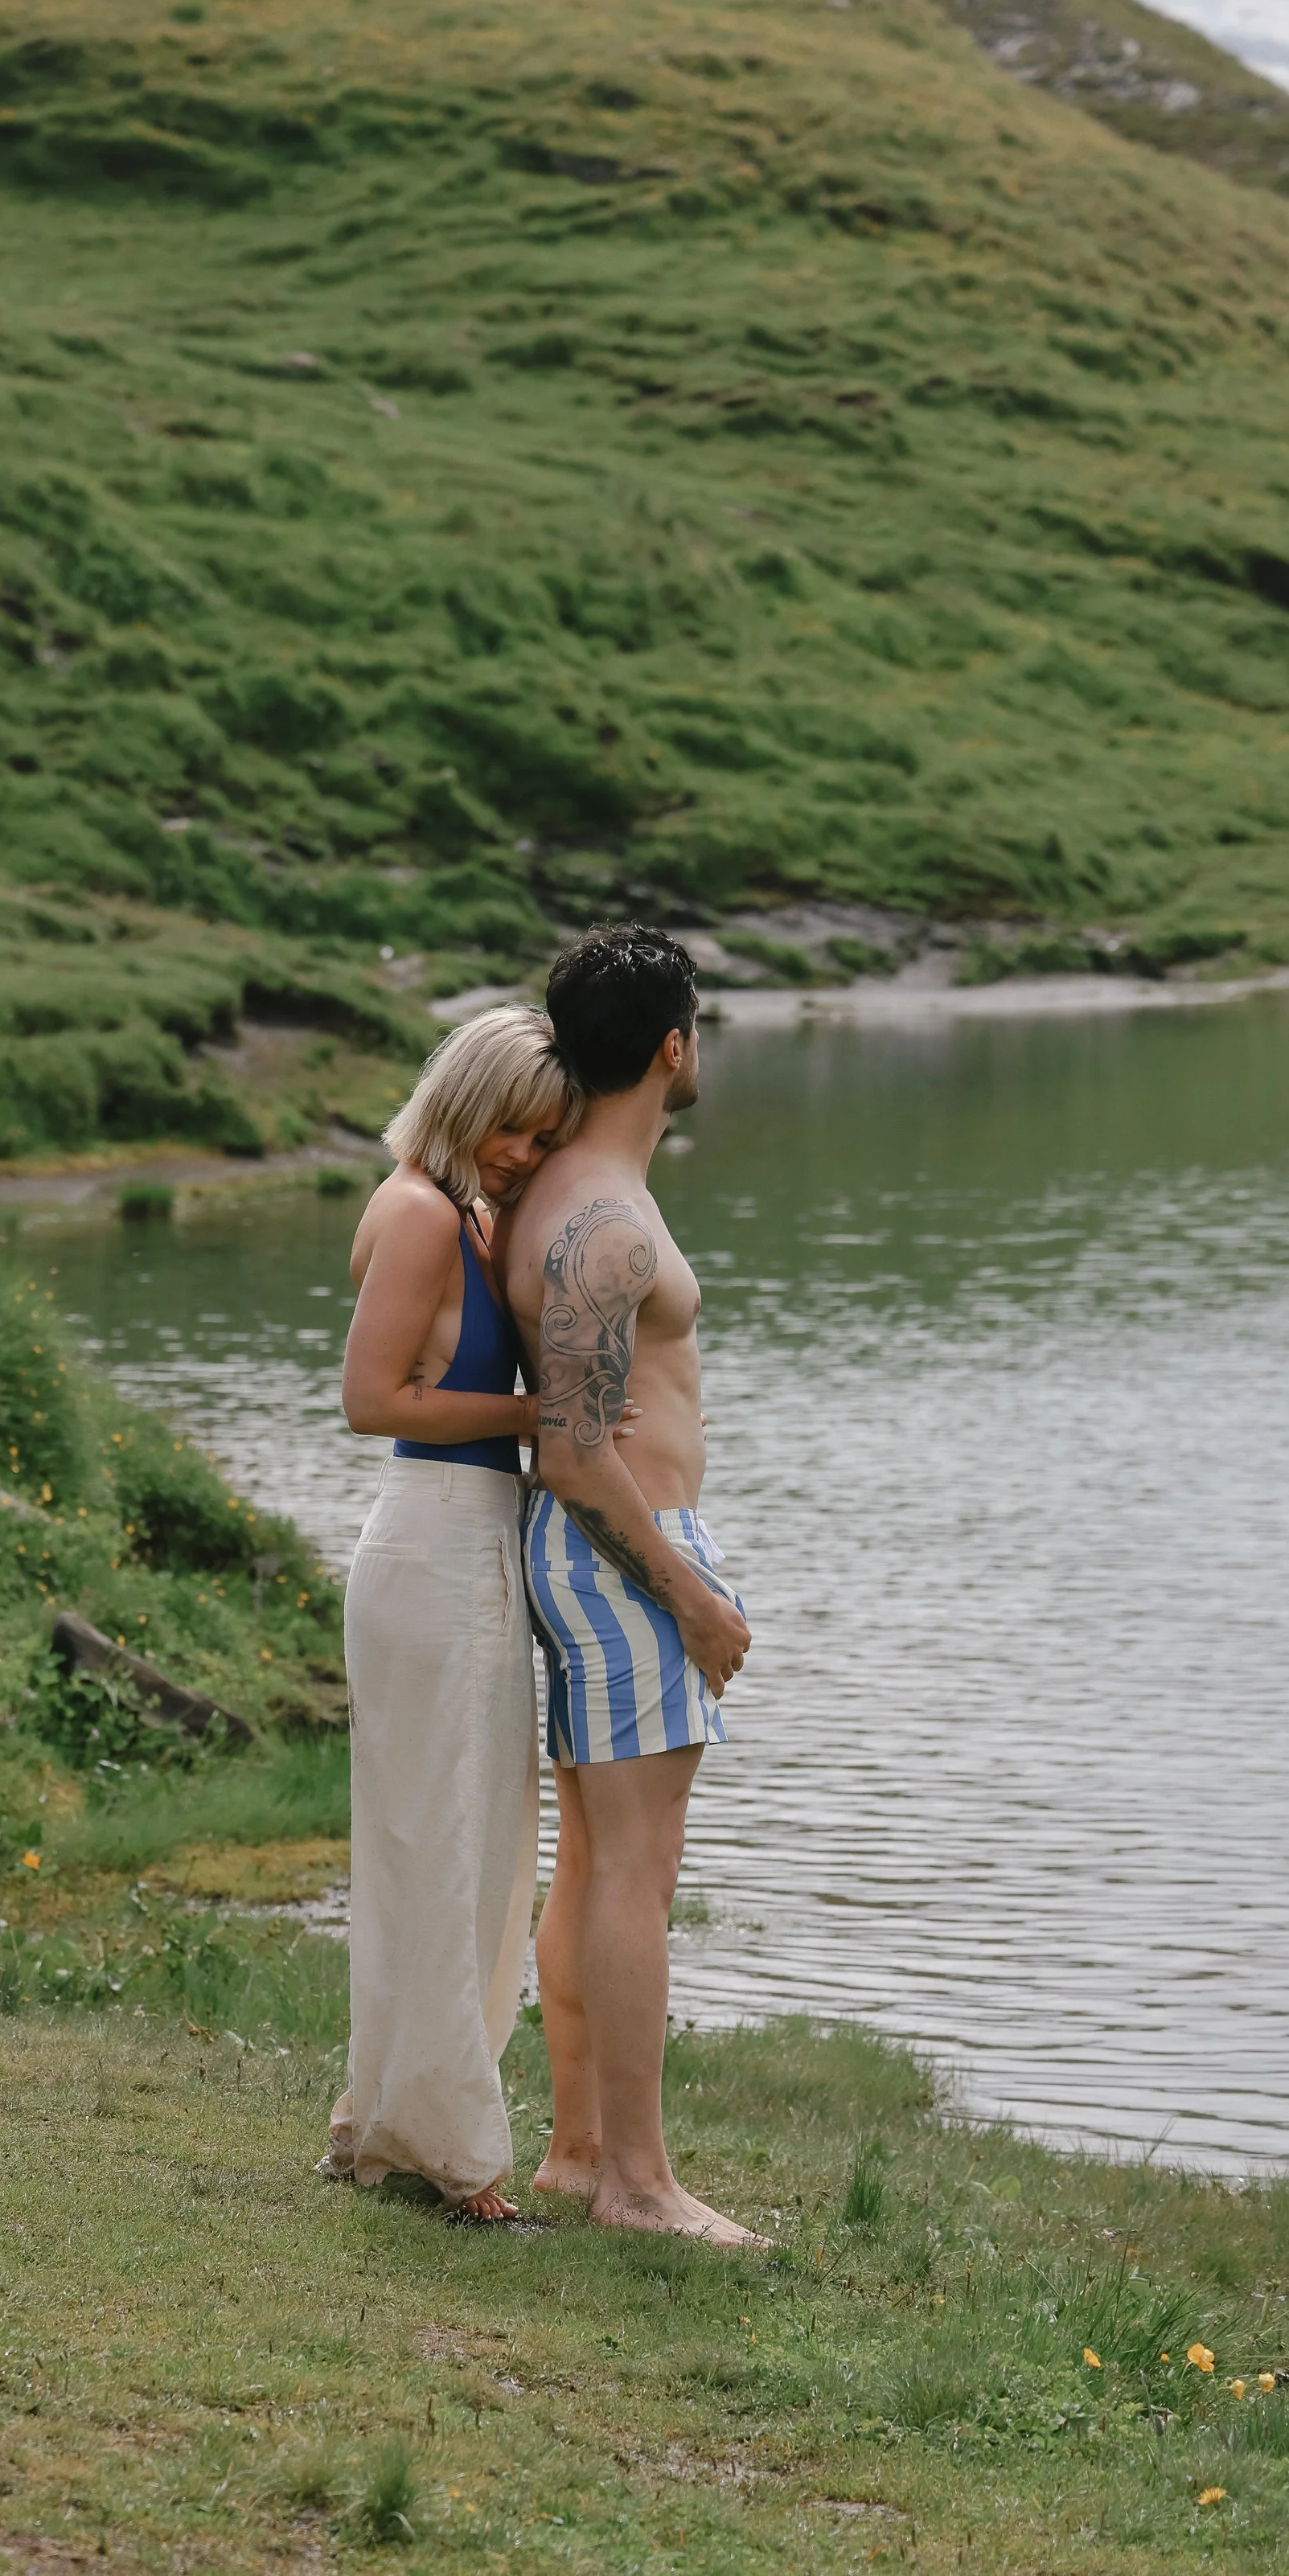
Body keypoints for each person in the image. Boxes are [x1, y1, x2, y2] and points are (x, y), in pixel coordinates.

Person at [505, 926, 766, 2247]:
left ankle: (577, 2154)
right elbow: (574, 1443)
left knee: (599, 1857)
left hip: (605, 1553)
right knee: (636, 1871)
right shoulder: (605, 1217)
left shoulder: (568, 1185)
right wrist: (688, 1591)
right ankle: (637, 2184)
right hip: (623, 1553)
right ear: (674, 1044)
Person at [324, 1006, 575, 2221]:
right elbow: (370, 1398)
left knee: (460, 1839)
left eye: (548, 1138)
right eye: (520, 1131)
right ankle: (453, 2149)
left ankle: (387, 2113)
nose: (531, 1155)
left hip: (467, 1540)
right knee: (443, 1840)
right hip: (433, 1541)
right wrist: (539, 1419)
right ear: (471, 1107)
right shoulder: (424, 1212)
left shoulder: (463, 1210)